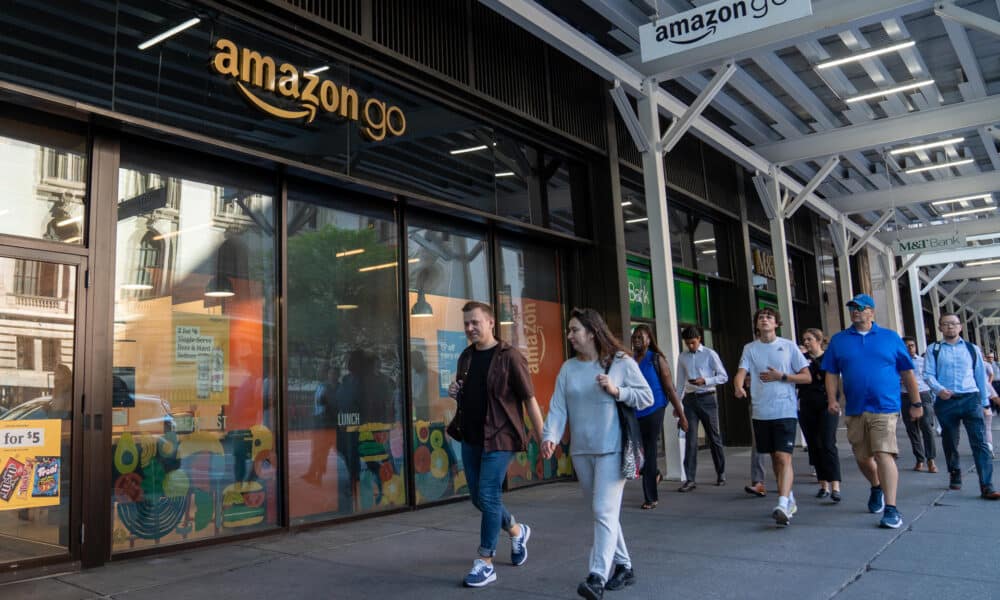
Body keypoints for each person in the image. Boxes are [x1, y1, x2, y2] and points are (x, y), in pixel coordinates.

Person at [542, 308, 652, 600]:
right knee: (603, 512)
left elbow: (646, 397)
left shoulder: (619, 362)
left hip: (612, 449)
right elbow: (558, 407)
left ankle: (597, 577)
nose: (569, 336)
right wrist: (550, 436)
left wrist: (618, 391)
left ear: (591, 332)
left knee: (603, 511)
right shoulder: (568, 369)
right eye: (569, 330)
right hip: (582, 450)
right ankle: (625, 566)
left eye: (574, 330)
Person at [448, 301, 546, 587]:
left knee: (489, 494)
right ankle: (516, 530)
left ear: (491, 322)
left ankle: (485, 561)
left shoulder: (509, 356)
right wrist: (456, 391)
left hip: (500, 437)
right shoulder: (465, 357)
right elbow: (471, 394)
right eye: (466, 323)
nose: (469, 328)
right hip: (471, 436)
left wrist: (543, 438)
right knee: (479, 498)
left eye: (475, 322)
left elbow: (529, 399)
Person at [822, 294, 923, 529]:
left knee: (883, 453)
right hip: (855, 407)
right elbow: (831, 373)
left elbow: (907, 373)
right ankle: (876, 485)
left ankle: (891, 508)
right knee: (862, 457)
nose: (855, 311)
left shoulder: (890, 338)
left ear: (871, 312)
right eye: (852, 308)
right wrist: (832, 399)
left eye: (860, 308)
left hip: (885, 406)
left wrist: (916, 403)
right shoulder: (839, 340)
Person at [733, 308, 810, 526]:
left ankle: (783, 502)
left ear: (776, 323)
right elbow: (741, 372)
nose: (764, 319)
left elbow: (806, 377)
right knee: (776, 458)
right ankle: (789, 498)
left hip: (784, 410)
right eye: (760, 317)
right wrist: (739, 387)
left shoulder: (788, 346)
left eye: (769, 317)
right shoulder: (750, 348)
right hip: (760, 411)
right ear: (756, 325)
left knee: (784, 456)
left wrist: (782, 376)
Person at [923, 313, 1000, 500]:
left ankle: (987, 486)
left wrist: (984, 402)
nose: (950, 327)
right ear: (940, 328)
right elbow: (928, 374)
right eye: (946, 324)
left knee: (980, 443)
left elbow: (980, 376)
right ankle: (955, 471)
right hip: (946, 401)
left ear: (960, 327)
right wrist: (939, 390)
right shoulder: (934, 349)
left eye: (954, 324)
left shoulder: (972, 349)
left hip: (970, 398)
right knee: (950, 441)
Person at [630, 324, 689, 510]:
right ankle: (655, 473)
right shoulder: (629, 361)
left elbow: (670, 389)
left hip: (654, 409)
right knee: (635, 452)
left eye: (641, 336)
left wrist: (682, 415)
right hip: (635, 410)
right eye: (635, 336)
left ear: (649, 339)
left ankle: (651, 497)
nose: (637, 339)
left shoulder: (656, 359)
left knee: (649, 450)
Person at [675, 326, 729, 492]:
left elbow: (723, 376)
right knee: (690, 439)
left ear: (699, 339)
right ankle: (690, 479)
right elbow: (679, 382)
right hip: (690, 400)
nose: (690, 346)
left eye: (693, 342)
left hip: (707, 397)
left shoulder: (709, 354)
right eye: (687, 343)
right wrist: (678, 405)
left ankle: (721, 472)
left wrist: (704, 380)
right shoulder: (682, 357)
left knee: (713, 436)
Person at [797, 328, 842, 502]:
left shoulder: (828, 358)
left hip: (826, 404)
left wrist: (809, 360)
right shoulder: (801, 360)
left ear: (819, 340)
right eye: (804, 339)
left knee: (828, 442)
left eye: (809, 339)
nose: (806, 342)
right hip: (807, 404)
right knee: (813, 444)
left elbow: (826, 376)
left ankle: (835, 484)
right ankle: (823, 484)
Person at [900, 336, 937, 473]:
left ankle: (931, 459)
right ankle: (919, 459)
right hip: (905, 395)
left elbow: (931, 377)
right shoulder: (896, 363)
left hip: (923, 394)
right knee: (912, 429)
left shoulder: (923, 362)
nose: (909, 348)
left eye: (912, 345)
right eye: (906, 346)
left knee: (926, 427)